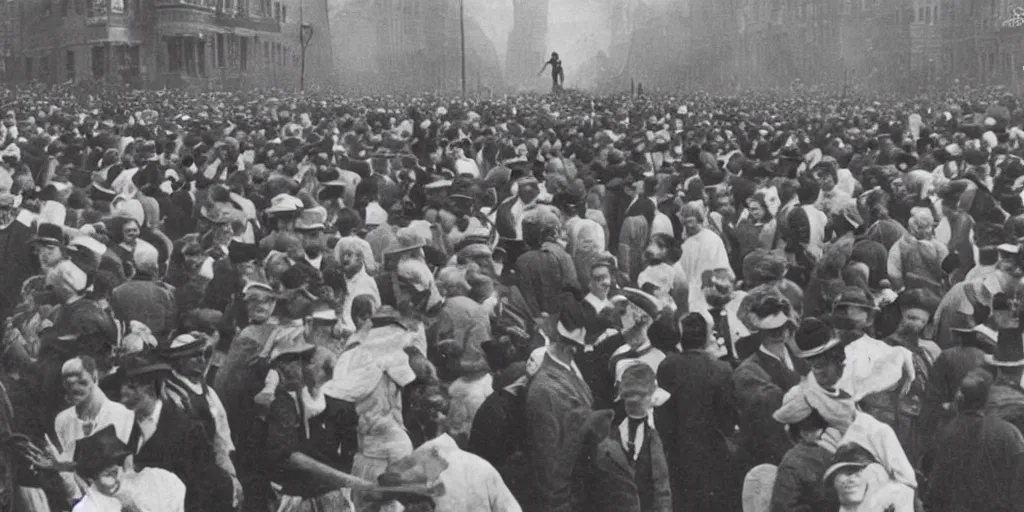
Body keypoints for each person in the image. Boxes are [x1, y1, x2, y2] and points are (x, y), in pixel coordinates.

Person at [654, 313, 734, 512]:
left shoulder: (667, 366)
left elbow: (662, 418)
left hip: (678, 457)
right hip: (713, 456)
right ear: (707, 337)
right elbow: (728, 419)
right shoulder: (721, 369)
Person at [924, 368, 1024, 512]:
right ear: (988, 398)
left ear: (961, 398)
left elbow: (934, 488)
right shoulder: (1009, 434)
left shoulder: (946, 432)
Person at [525, 302, 593, 512]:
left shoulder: (567, 366)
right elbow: (548, 460)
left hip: (581, 483)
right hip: (566, 496)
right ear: (568, 347)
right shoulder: (545, 390)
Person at [583, 363, 672, 512]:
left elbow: (662, 488)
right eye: (630, 397)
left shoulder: (656, 430)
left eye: (640, 397)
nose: (634, 402)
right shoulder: (608, 430)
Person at [69, 425, 186, 512]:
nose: (119, 478)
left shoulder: (158, 480)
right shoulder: (87, 508)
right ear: (91, 480)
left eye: (119, 465)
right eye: (108, 474)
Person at [822, 444, 915, 512]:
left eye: (857, 471)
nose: (851, 479)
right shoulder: (840, 505)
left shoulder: (899, 494)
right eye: (844, 473)